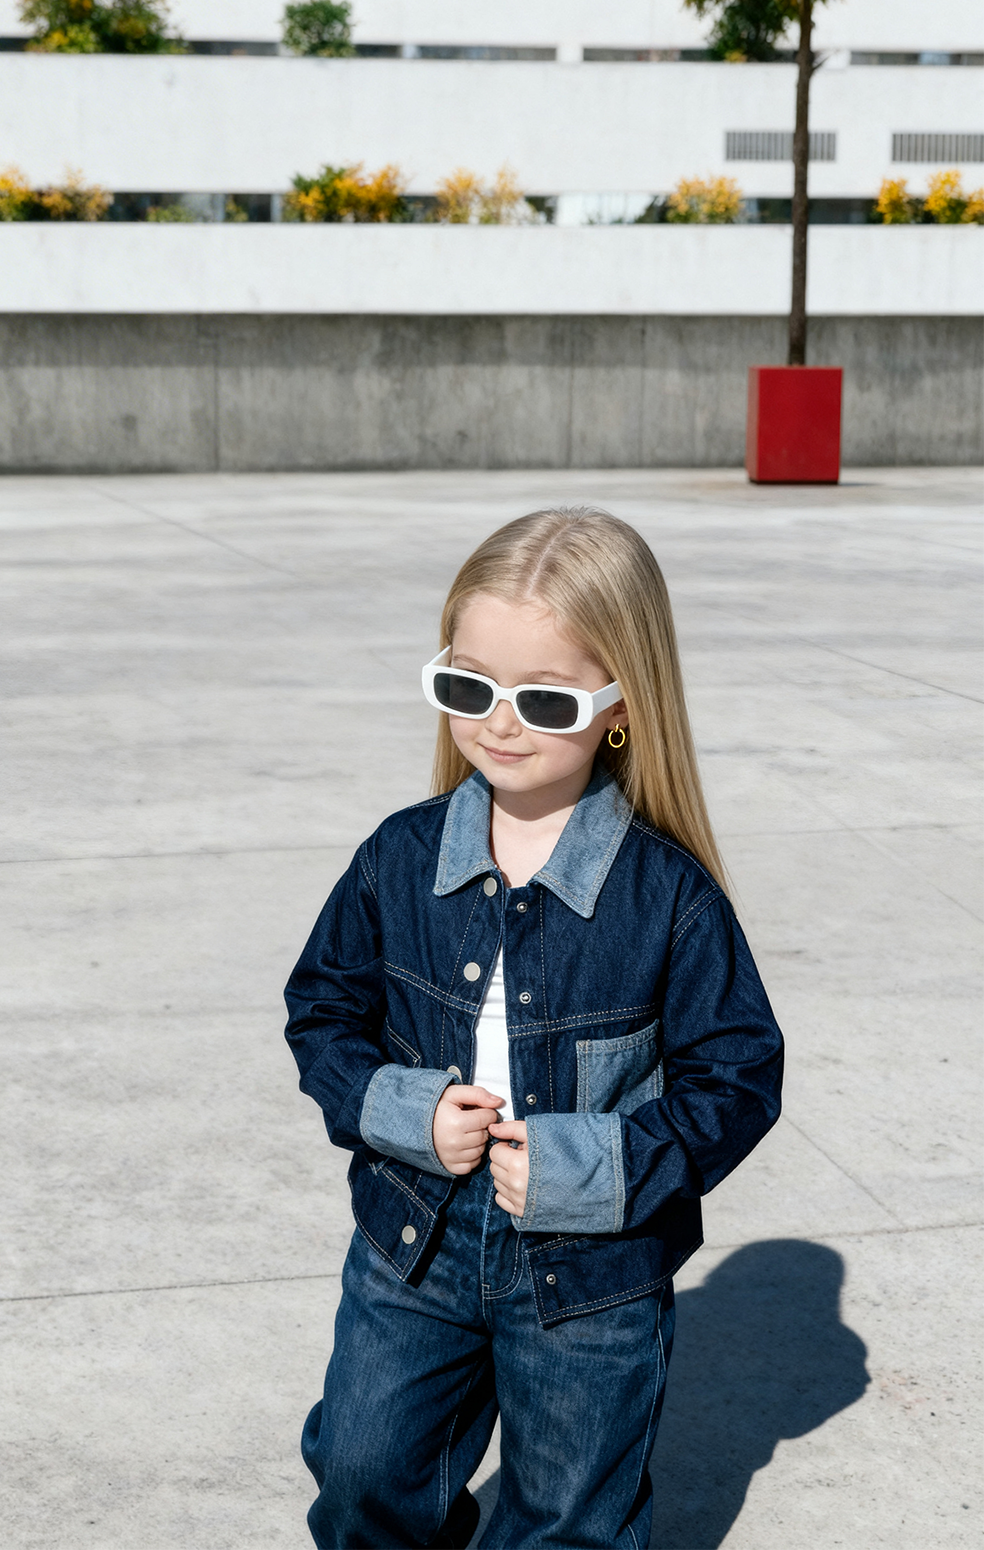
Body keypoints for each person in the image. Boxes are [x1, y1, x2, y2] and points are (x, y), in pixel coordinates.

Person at [284, 506, 783, 1550]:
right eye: (466, 686)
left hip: (592, 1271)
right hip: (413, 1231)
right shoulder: (398, 855)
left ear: (617, 708)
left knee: (567, 1516)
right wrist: (402, 1108)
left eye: (541, 697)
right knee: (362, 1463)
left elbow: (734, 1074)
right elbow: (323, 1007)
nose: (498, 722)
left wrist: (593, 1162)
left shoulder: (667, 895)